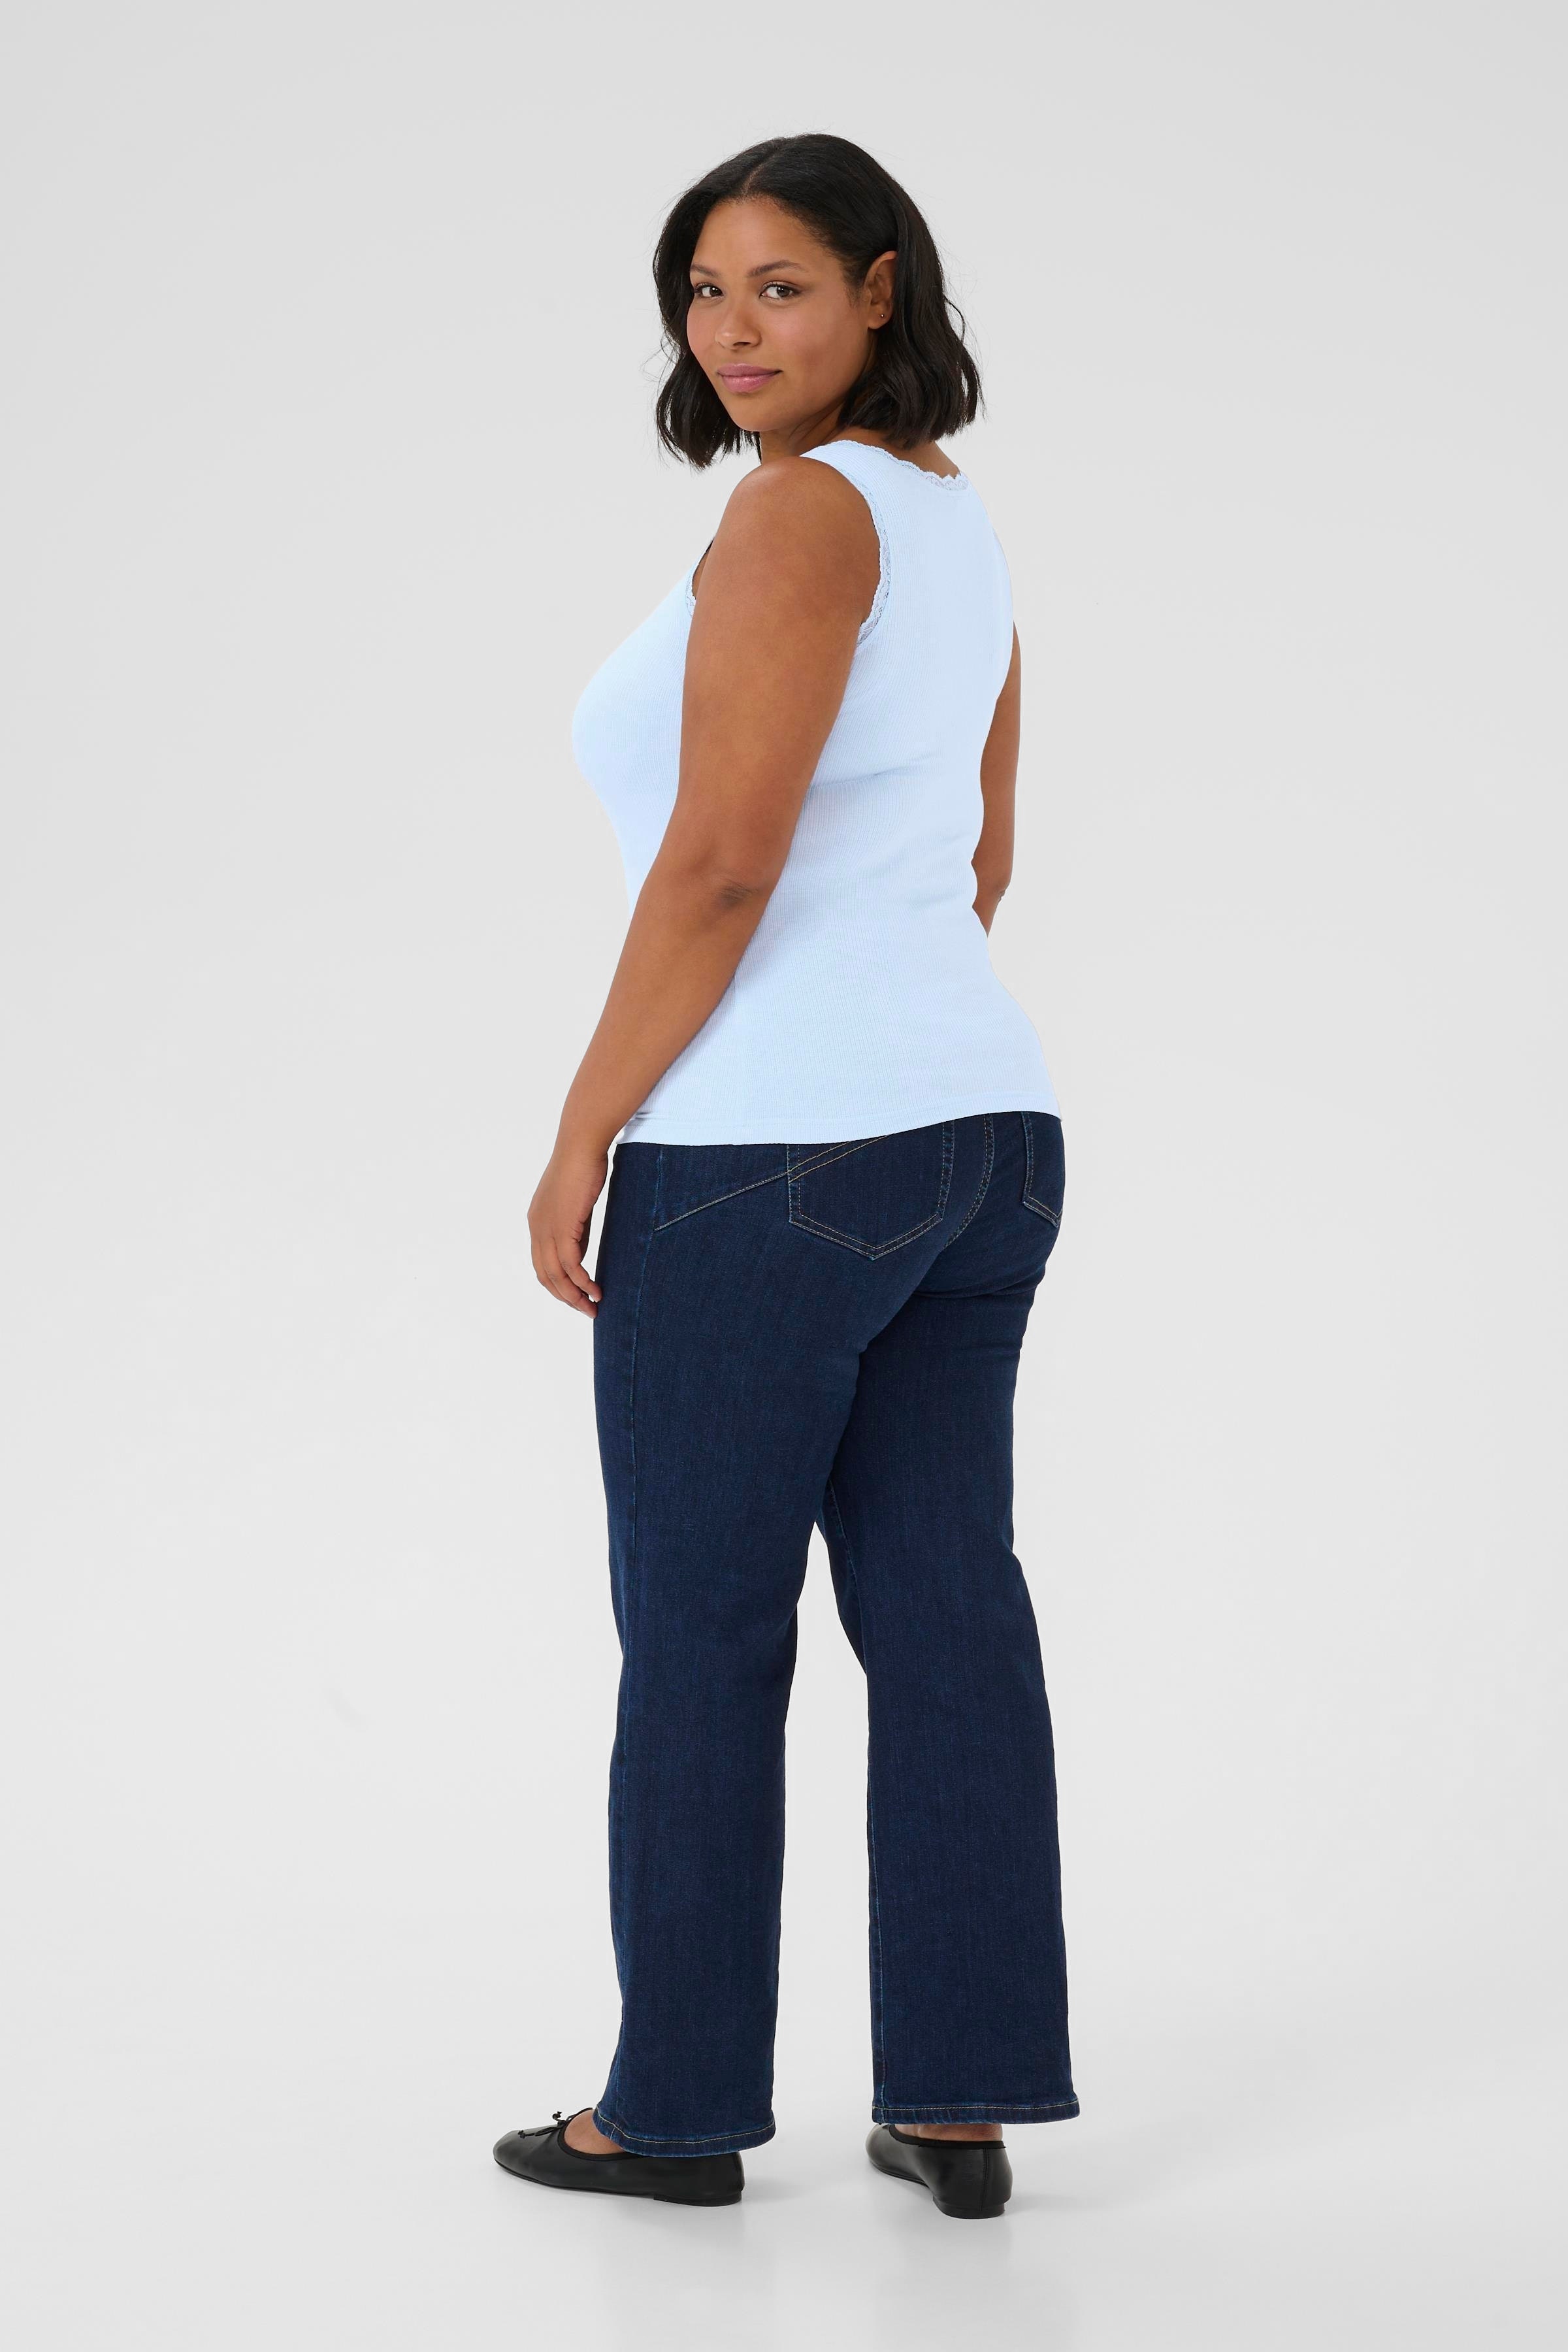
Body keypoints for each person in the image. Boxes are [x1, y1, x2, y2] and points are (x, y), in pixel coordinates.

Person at [493, 132, 1076, 2223]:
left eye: (782, 287)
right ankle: (962, 2097)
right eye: (704, 289)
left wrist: (585, 1128)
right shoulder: (954, 518)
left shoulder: (798, 516)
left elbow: (723, 864)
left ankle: (668, 2115)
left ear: (882, 289)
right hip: (985, 1140)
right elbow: (982, 856)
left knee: (707, 1636)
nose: (732, 330)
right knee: (947, 1617)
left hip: (761, 1162)